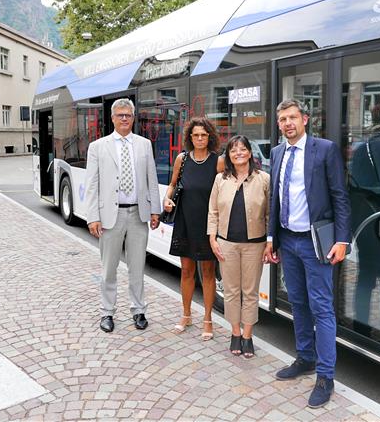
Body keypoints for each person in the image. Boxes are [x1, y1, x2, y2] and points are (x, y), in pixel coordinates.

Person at [264, 99, 350, 409]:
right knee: (297, 302)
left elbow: (340, 197)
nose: (287, 123)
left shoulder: (324, 150)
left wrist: (342, 240)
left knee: (322, 308)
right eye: (282, 119)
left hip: (317, 244)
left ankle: (326, 376)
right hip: (288, 241)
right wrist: (271, 237)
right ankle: (305, 358)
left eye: (292, 118)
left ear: (305, 119)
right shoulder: (277, 153)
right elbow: (275, 197)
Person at [85, 98, 161, 333]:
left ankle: (138, 310)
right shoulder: (98, 147)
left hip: (138, 214)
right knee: (108, 268)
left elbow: (151, 178)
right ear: (112, 118)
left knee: (137, 267)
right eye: (120, 115)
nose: (124, 118)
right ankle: (107, 313)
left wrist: (155, 209)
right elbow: (92, 184)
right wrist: (92, 216)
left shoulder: (144, 144)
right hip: (111, 216)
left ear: (134, 117)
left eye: (128, 115)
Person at [207, 135, 270, 358]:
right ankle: (235, 333)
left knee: (250, 292)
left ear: (250, 153)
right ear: (229, 155)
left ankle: (248, 336)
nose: (238, 153)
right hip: (227, 243)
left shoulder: (263, 179)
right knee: (232, 291)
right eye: (233, 150)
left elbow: (270, 214)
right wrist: (212, 238)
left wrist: (269, 243)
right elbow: (213, 211)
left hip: (255, 244)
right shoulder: (220, 180)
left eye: (243, 149)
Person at [163, 117, 224, 341]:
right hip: (184, 222)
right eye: (196, 135)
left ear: (210, 137)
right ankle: (186, 315)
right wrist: (166, 200)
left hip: (207, 225)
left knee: (207, 273)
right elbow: (172, 185)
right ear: (190, 137)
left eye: (204, 135)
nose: (199, 138)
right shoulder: (183, 159)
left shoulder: (218, 161)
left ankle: (207, 320)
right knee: (186, 271)